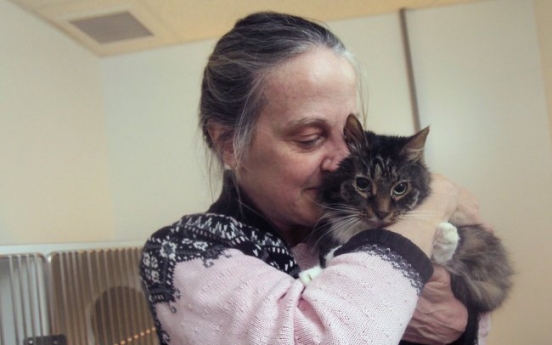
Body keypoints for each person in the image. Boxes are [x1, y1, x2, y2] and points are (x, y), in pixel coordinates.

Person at [140, 11, 490, 345]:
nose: (342, 159)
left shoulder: (345, 219)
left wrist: (462, 324)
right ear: (231, 145)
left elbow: (461, 314)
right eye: (310, 138)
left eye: (352, 136)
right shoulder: (184, 253)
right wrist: (436, 202)